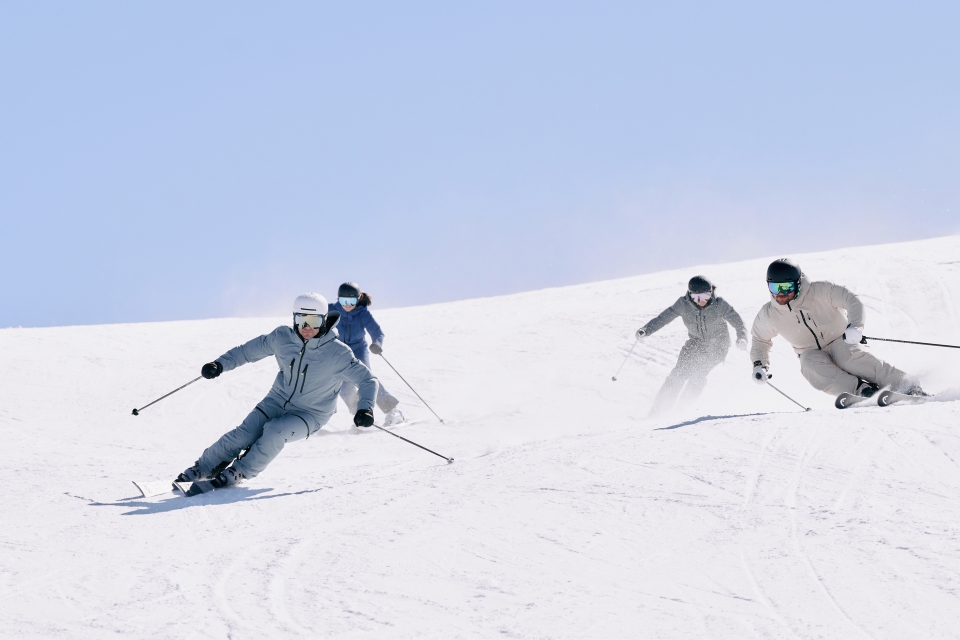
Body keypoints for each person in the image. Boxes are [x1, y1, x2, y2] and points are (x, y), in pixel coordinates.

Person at [177, 293, 379, 488]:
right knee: (243, 434)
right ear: (294, 318)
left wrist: (365, 408)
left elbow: (367, 380)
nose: (307, 328)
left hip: (311, 413)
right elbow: (247, 351)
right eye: (301, 320)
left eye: (314, 322)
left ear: (325, 320)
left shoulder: (338, 353)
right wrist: (219, 364)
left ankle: (240, 470)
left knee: (275, 431)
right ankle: (202, 467)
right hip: (276, 401)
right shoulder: (282, 337)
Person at [750, 258, 925, 399]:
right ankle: (862, 391)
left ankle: (907, 385)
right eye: (775, 287)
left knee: (849, 359)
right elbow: (760, 340)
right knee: (809, 366)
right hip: (809, 351)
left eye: (786, 287)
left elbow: (851, 300)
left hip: (840, 339)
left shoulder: (819, 291)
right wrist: (760, 365)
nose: (780, 294)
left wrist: (855, 327)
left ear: (798, 283)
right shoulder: (769, 314)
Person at [637, 275, 748, 415]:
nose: (701, 301)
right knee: (677, 374)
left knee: (698, 374)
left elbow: (738, 321)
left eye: (706, 296)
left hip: (718, 346)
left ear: (711, 293)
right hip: (695, 343)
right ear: (690, 295)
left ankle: (681, 411)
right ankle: (656, 412)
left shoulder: (719, 304)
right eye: (697, 298)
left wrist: (742, 338)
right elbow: (663, 318)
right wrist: (646, 330)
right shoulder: (683, 304)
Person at [329, 282, 404, 425]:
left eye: (351, 301)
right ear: (338, 298)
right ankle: (362, 415)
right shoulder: (331, 310)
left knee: (367, 379)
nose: (347, 305)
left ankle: (392, 411)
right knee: (344, 387)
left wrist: (377, 343)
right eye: (343, 300)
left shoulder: (362, 313)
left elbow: (377, 331)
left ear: (358, 299)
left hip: (358, 349)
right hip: (338, 351)